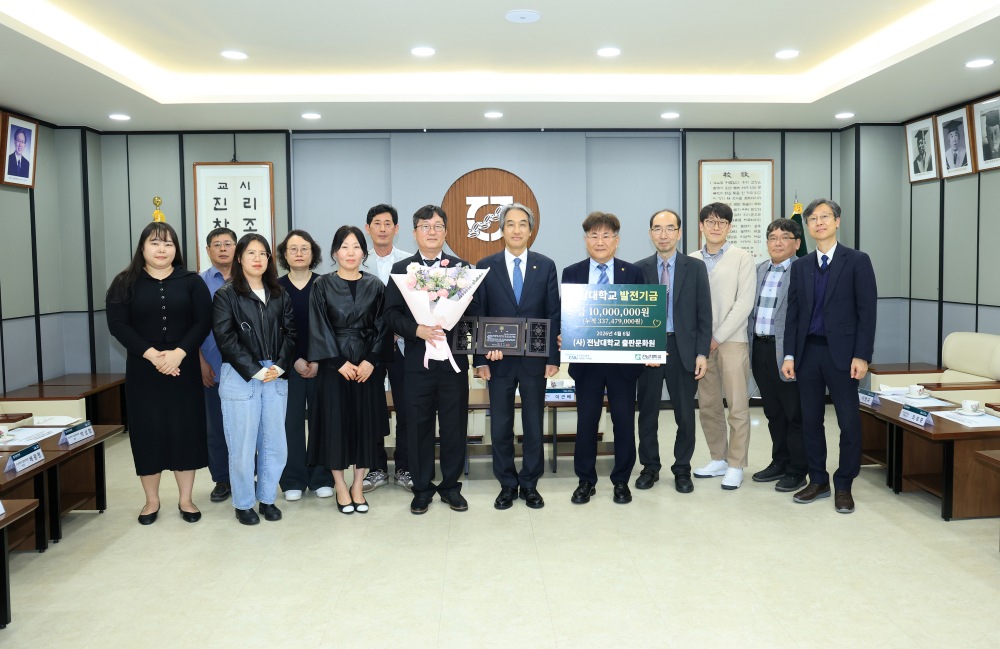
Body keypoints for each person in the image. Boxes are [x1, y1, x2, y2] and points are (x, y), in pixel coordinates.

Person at [106, 221, 212, 525]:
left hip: (183, 367)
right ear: (142, 247)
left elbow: (203, 321)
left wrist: (179, 353)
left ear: (176, 249)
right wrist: (152, 355)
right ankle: (151, 500)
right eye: (154, 243)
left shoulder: (191, 281)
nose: (162, 249)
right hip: (143, 369)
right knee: (147, 433)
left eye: (168, 243)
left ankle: (186, 499)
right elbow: (118, 324)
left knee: (185, 431)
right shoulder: (124, 282)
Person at [781, 199, 877, 514]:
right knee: (811, 421)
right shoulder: (801, 265)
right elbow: (793, 314)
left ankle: (844, 484)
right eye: (813, 218)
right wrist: (789, 354)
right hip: (808, 353)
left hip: (844, 355)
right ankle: (819, 480)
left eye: (825, 216)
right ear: (807, 226)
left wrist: (862, 355)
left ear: (837, 221)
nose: (819, 222)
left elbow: (867, 312)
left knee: (849, 422)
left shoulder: (857, 260)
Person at [384, 205, 472, 515]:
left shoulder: (462, 269)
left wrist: (453, 324)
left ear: (446, 232)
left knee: (454, 426)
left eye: (437, 226)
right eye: (425, 226)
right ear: (414, 233)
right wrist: (416, 330)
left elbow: (473, 314)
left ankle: (450, 486)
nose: (431, 232)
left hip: (452, 363)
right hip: (416, 363)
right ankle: (421, 488)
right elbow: (390, 314)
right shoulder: (402, 269)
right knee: (418, 425)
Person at [472, 203, 560, 510]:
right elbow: (478, 313)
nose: (517, 229)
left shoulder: (545, 265)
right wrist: (480, 359)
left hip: (535, 360)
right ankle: (507, 484)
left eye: (523, 224)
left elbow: (552, 312)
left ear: (530, 230)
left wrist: (552, 357)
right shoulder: (486, 266)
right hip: (498, 361)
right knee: (500, 425)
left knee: (533, 424)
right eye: (510, 224)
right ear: (501, 230)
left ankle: (530, 483)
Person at [212, 234, 296, 525]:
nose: (258, 258)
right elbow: (225, 338)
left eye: (263, 253)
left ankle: (268, 498)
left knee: (275, 443)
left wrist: (280, 366)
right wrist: (254, 369)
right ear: (239, 258)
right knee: (242, 445)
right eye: (251, 253)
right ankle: (244, 503)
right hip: (241, 375)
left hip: (275, 374)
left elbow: (291, 333)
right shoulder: (226, 295)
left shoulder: (279, 293)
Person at [306, 226, 391, 514]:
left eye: (356, 247)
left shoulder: (376, 285)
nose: (351, 252)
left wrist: (371, 361)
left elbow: (383, 326)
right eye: (344, 247)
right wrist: (338, 362)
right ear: (335, 252)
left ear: (364, 253)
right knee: (335, 426)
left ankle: (357, 485)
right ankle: (340, 486)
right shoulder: (321, 285)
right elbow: (318, 326)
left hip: (367, 367)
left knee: (365, 426)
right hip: (334, 368)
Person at [562, 211, 644, 505]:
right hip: (587, 365)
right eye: (594, 235)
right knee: (586, 423)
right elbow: (566, 314)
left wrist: (648, 347)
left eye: (606, 235)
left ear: (616, 241)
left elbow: (643, 316)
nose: (600, 241)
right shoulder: (571, 273)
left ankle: (621, 481)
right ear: (586, 240)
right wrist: (563, 334)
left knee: (623, 423)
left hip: (623, 366)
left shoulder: (633, 273)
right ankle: (585, 480)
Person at [634, 209, 711, 494]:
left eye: (669, 228)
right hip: (649, 349)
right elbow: (634, 315)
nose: (663, 235)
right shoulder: (638, 269)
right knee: (647, 413)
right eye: (657, 229)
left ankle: (682, 469)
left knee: (685, 415)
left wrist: (702, 353)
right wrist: (643, 350)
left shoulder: (696, 267)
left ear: (679, 233)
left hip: (684, 349)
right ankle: (650, 467)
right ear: (650, 233)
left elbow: (704, 313)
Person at [690, 203, 756, 490]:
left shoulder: (742, 258)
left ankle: (736, 464)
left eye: (722, 222)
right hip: (701, 346)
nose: (715, 227)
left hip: (732, 342)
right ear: (701, 226)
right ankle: (718, 458)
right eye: (710, 222)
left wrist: (716, 337)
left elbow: (744, 303)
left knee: (737, 406)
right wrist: (701, 340)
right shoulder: (691, 259)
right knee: (708, 405)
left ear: (729, 227)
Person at [748, 219, 808, 493]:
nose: (778, 242)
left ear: (797, 243)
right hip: (760, 348)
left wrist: (792, 354)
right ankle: (780, 461)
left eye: (785, 237)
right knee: (773, 411)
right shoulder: (759, 269)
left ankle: (798, 469)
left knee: (794, 412)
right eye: (773, 238)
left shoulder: (803, 270)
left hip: (788, 352)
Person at [275, 229, 335, 501]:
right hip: (288, 367)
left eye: (304, 249)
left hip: (323, 365)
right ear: (284, 255)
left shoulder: (326, 284)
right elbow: (273, 330)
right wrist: (295, 359)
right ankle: (293, 479)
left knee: (323, 421)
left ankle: (322, 477)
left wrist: (318, 360)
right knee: (291, 423)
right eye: (293, 249)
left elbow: (333, 327)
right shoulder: (275, 288)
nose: (299, 253)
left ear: (313, 254)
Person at [362, 203, 414, 493]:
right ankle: (376, 468)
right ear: (368, 228)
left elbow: (417, 305)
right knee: (371, 408)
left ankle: (404, 467)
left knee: (407, 407)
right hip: (368, 350)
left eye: (387, 224)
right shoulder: (358, 260)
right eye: (376, 223)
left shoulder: (409, 263)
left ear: (396, 228)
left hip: (401, 345)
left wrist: (397, 330)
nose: (382, 229)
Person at [198, 227, 236, 504]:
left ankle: (248, 475)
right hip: (212, 366)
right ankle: (222, 479)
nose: (223, 249)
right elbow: (191, 327)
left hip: (248, 369)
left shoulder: (249, 278)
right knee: (217, 428)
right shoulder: (198, 283)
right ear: (208, 250)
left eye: (228, 243)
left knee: (248, 427)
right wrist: (200, 362)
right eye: (217, 244)